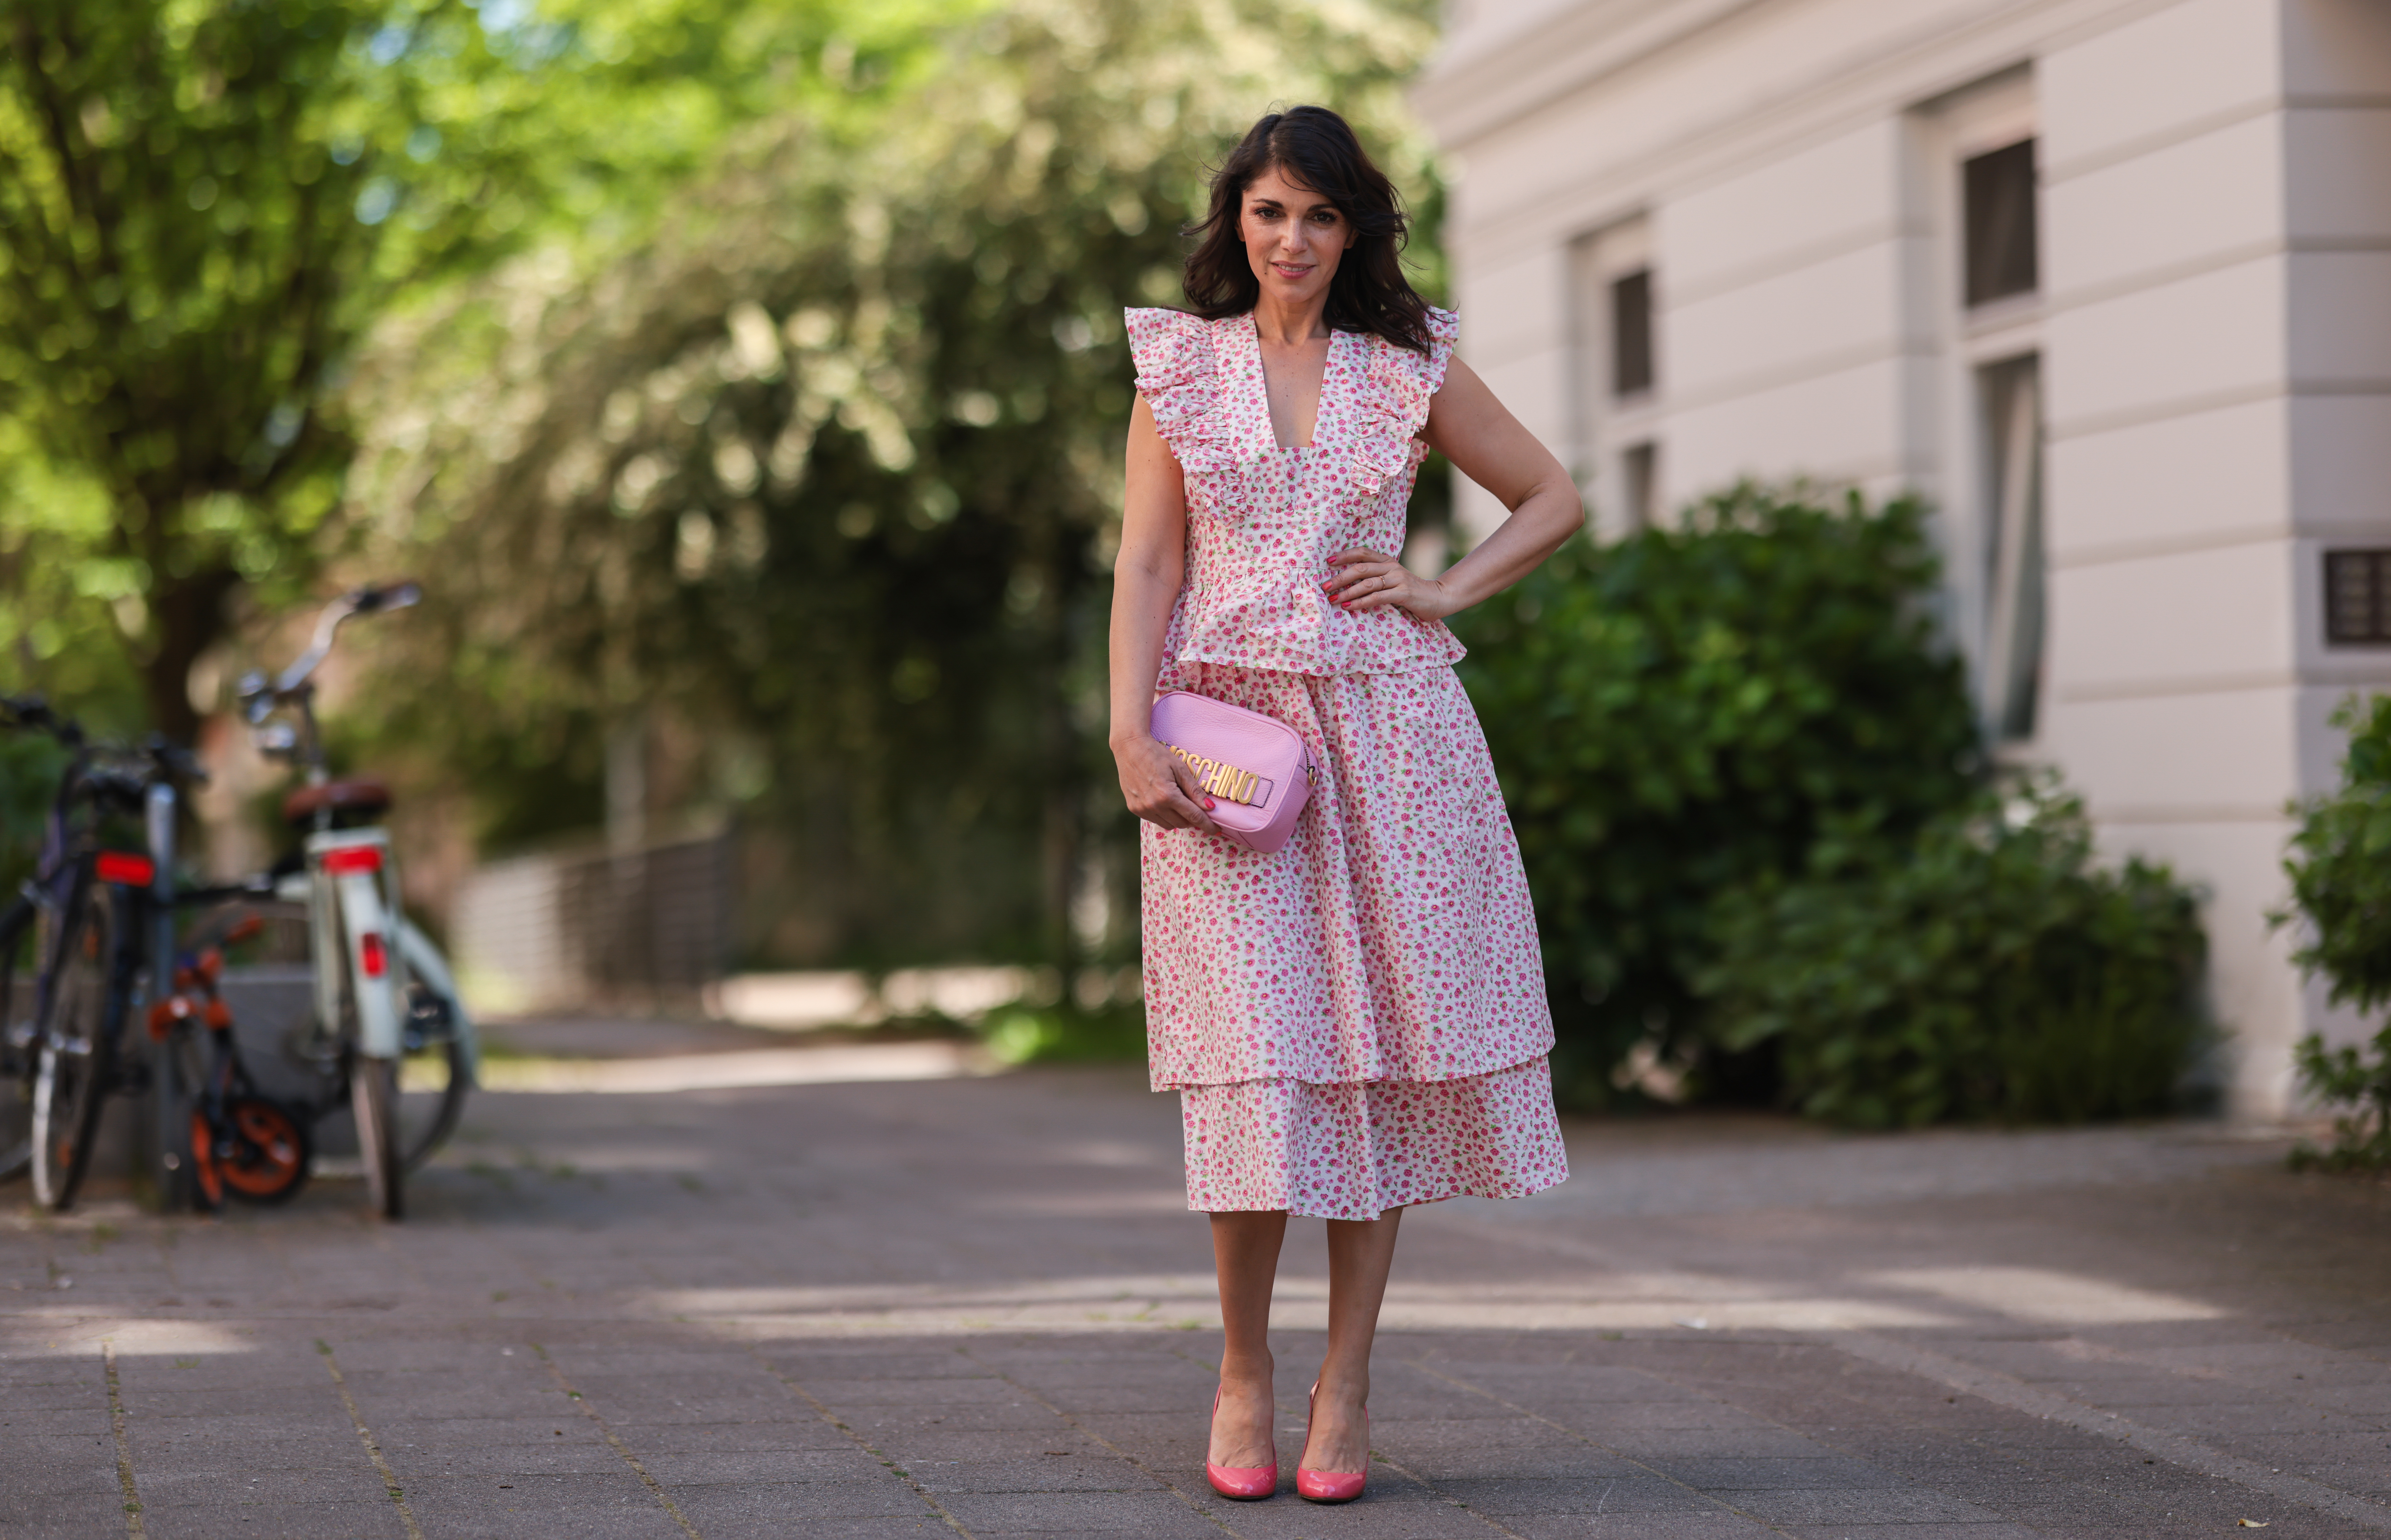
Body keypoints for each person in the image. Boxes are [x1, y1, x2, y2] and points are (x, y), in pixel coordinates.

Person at [1107, 105, 1583, 1505]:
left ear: (1354, 227)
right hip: (1229, 752)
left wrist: (1441, 589)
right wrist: (1126, 732)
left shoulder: (1408, 361)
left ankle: (1349, 1376)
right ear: (1234, 223)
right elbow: (1146, 564)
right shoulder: (1179, 367)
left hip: (1393, 742)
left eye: (1320, 215)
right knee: (1254, 1062)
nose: (1293, 239)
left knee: (1377, 1061)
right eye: (1269, 212)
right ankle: (1241, 1367)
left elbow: (1550, 496)